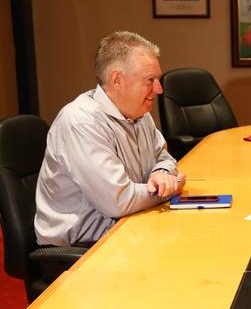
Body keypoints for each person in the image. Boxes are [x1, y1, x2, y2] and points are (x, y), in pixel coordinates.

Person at [34, 31, 186, 247]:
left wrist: (161, 175)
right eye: (150, 80)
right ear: (117, 80)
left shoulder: (141, 114)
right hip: (81, 249)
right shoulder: (81, 122)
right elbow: (119, 201)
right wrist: (171, 188)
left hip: (126, 230)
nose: (159, 89)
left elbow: (165, 159)